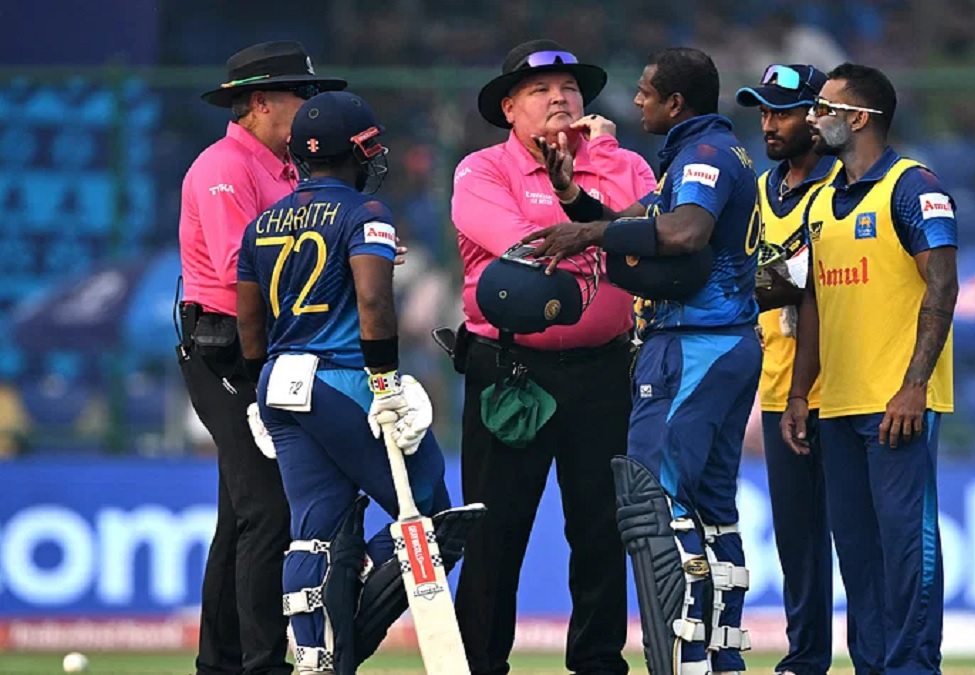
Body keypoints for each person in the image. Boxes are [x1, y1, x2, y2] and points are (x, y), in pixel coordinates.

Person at [527, 47, 760, 675]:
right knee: (712, 512)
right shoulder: (705, 154)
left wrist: (588, 234)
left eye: (645, 92)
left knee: (654, 505)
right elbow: (625, 224)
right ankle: (719, 658)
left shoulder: (704, 157)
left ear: (675, 103)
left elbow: (684, 234)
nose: (634, 102)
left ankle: (681, 662)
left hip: (694, 345)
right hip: (726, 345)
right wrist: (571, 196)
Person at [236, 90, 483, 674]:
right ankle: (347, 624)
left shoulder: (261, 224)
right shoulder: (365, 212)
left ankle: (315, 656)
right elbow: (373, 301)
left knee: (313, 529)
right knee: (431, 517)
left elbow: (249, 321)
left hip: (278, 382)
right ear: (355, 151)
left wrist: (257, 391)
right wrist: (386, 382)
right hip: (341, 379)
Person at [448, 38, 656, 675]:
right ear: (509, 109)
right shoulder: (481, 171)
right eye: (540, 90)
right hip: (509, 369)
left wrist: (606, 173)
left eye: (569, 88)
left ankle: (598, 664)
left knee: (601, 530)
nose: (560, 98)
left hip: (604, 369)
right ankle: (479, 664)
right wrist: (609, 238)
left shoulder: (625, 165)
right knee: (494, 530)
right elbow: (530, 254)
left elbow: (655, 243)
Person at [780, 63, 959, 675]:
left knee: (907, 548)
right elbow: (812, 301)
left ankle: (914, 667)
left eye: (824, 108)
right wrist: (800, 393)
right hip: (837, 405)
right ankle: (873, 666)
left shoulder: (914, 187)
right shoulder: (821, 199)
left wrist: (914, 386)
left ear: (858, 118)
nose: (812, 118)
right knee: (856, 554)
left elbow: (943, 286)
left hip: (897, 405)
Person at [177, 40, 346, 675]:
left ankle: (221, 664)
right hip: (225, 351)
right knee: (268, 510)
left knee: (243, 516)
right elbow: (237, 267)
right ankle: (261, 664)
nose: (310, 106)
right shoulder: (223, 167)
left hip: (266, 347)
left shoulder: (286, 171)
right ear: (260, 102)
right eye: (302, 94)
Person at [735, 64, 838, 675]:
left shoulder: (842, 186)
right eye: (765, 112)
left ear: (817, 116)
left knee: (858, 539)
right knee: (797, 542)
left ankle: (880, 658)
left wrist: (746, 282)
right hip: (779, 387)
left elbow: (811, 278)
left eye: (784, 112)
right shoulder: (758, 190)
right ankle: (805, 661)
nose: (770, 124)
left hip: (845, 389)